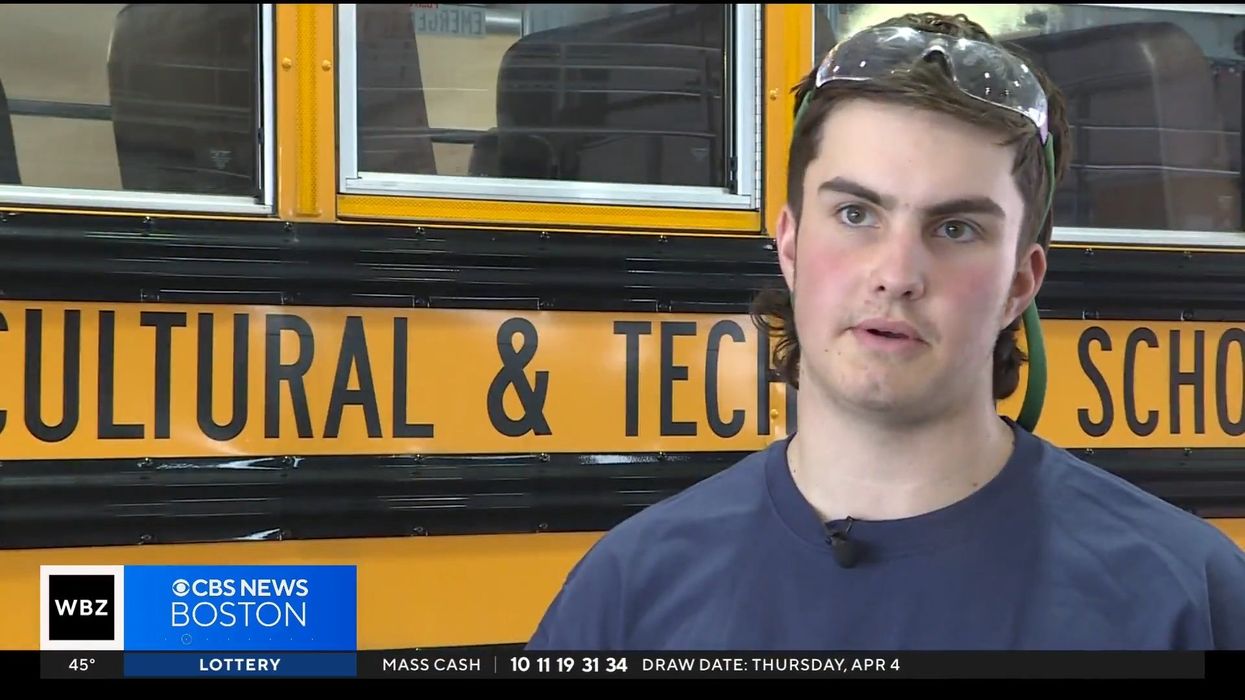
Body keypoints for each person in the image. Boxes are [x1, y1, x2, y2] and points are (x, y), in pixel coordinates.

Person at [526, 11, 1245, 650]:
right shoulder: (629, 594)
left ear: (1020, 283)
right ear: (789, 245)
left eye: (955, 228)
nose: (896, 273)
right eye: (855, 214)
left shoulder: (1187, 601)